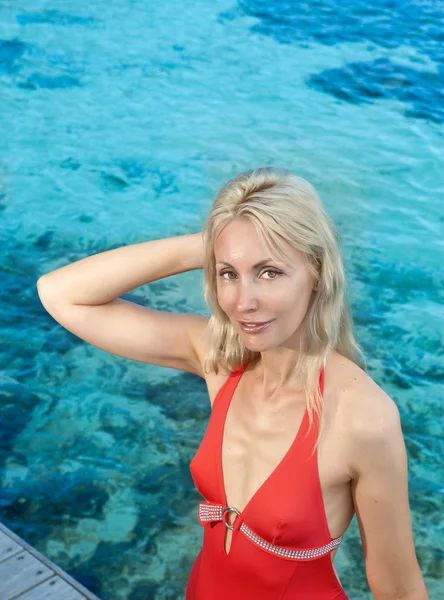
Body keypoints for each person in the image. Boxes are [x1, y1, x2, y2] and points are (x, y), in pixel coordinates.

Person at [37, 167, 429, 599]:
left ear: (316, 271)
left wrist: (232, 251)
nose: (244, 303)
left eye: (269, 272)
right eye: (229, 274)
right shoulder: (221, 363)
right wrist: (212, 242)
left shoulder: (362, 418)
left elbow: (400, 590)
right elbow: (61, 294)